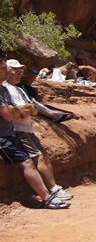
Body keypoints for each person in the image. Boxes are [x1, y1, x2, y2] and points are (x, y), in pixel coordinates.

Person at [0, 60, 68, 208]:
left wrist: (18, 109)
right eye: (4, 68)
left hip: (13, 132)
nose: (8, 71)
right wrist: (19, 109)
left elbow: (30, 110)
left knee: (38, 158)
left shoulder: (9, 90)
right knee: (30, 162)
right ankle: (48, 196)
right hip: (8, 135)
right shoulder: (5, 90)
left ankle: (49, 194)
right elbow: (9, 115)